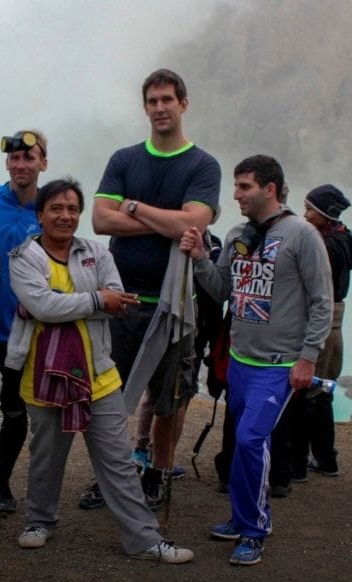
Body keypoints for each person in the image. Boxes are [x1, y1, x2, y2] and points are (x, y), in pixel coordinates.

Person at [6, 176, 193, 563]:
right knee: (47, 455)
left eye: (72, 209)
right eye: (56, 208)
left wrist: (80, 302)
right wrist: (96, 300)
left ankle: (144, 540)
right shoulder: (25, 257)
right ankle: (39, 520)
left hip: (98, 374)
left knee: (118, 461)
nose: (65, 216)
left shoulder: (96, 252)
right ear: (40, 214)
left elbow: (117, 297)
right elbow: (42, 306)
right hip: (46, 376)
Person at [180, 154, 333, 566]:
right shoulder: (236, 234)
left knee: (250, 441)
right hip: (240, 360)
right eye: (235, 186)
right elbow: (222, 289)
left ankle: (254, 530)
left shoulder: (302, 235)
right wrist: (199, 258)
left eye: (244, 186)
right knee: (242, 445)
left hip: (280, 364)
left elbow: (321, 301)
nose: (236, 194)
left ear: (270, 188)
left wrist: (308, 359)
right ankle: (240, 516)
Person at [83, 68, 222, 511]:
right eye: (152, 101)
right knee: (108, 397)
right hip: (121, 300)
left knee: (170, 399)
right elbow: (100, 220)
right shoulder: (125, 159)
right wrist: (169, 221)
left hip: (175, 303)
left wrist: (135, 207)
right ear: (145, 107)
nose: (160, 108)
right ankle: (112, 477)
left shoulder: (202, 165)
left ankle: (158, 474)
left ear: (183, 103)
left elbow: (195, 223)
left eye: (167, 99)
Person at [0, 129, 49, 512]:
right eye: (15, 159)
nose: (21, 165)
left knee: (15, 411)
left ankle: (2, 485)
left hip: (25, 332)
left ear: (43, 163)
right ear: (7, 163)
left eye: (29, 158)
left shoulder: (49, 208)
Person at [289, 184, 352, 479]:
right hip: (335, 324)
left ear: (326, 214)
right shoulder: (344, 241)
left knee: (306, 393)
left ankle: (295, 465)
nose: (305, 215)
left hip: (320, 321)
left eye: (310, 210)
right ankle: (325, 458)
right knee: (322, 393)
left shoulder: (325, 247)